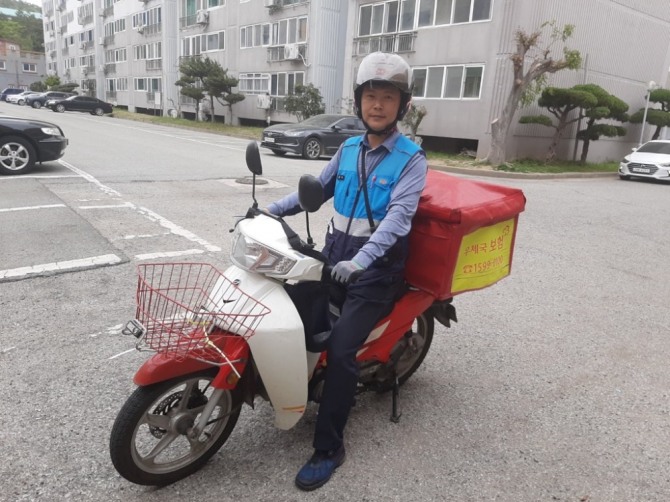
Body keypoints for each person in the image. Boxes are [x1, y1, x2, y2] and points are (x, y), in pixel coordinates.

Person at [266, 51, 427, 491]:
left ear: (402, 105)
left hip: (374, 272)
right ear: (359, 102)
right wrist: (267, 213)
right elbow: (315, 192)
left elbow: (398, 218)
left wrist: (362, 260)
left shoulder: (412, 159)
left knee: (340, 351)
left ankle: (329, 446)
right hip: (335, 256)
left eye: (388, 97)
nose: (377, 105)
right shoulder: (349, 147)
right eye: (370, 96)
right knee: (284, 309)